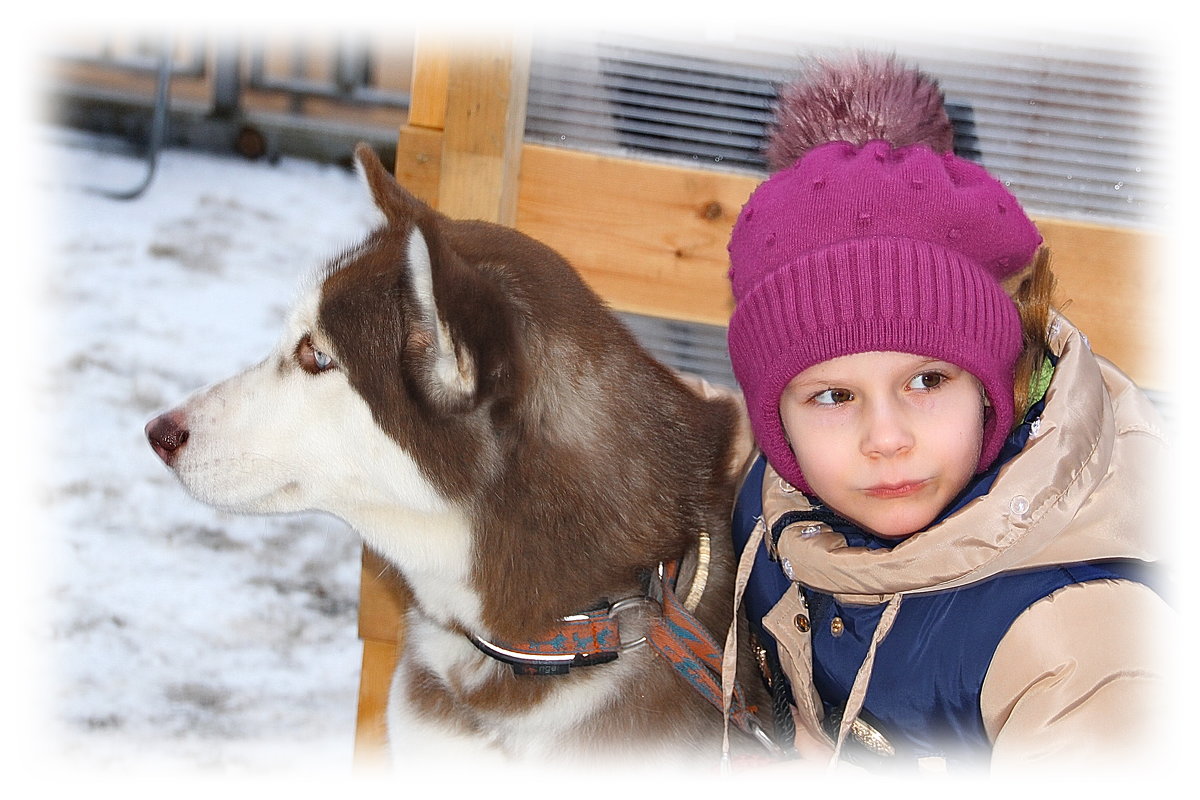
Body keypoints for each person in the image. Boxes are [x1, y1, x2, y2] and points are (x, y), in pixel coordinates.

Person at [722, 55, 1170, 773]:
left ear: (993, 388)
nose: (887, 438)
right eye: (834, 396)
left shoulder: (1076, 642)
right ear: (777, 420)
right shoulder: (771, 497)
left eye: (927, 380)